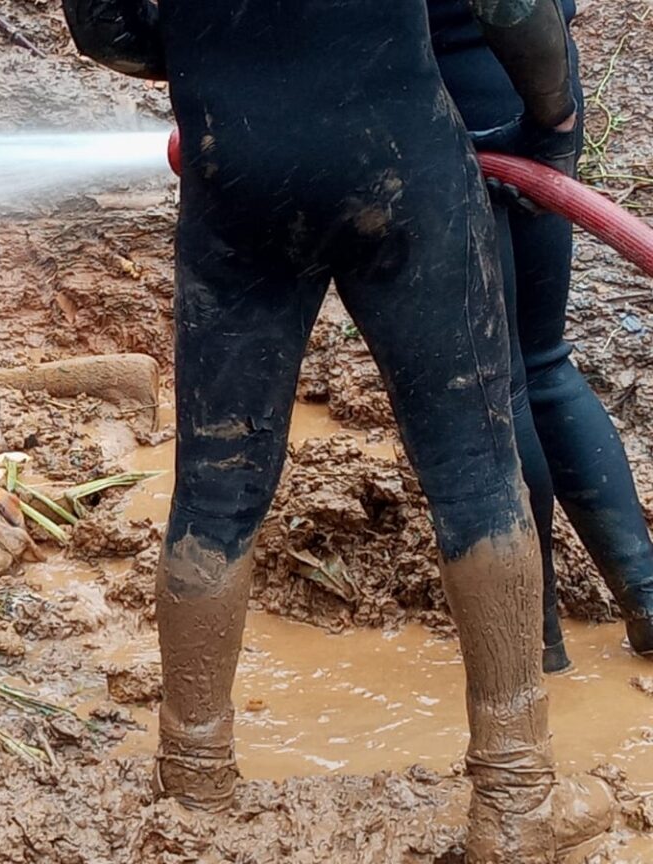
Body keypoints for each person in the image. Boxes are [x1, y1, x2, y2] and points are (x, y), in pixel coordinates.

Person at [59, 0, 613, 860]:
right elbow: (513, 7)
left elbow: (101, 27)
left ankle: (195, 782)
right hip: (399, 162)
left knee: (214, 483)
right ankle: (514, 797)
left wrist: (242, 61)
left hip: (234, 171)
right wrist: (555, 119)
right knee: (472, 465)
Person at [428, 0, 653, 674]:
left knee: (494, 384)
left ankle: (533, 640)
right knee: (543, 360)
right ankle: (645, 597)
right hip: (532, 78)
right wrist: (553, 122)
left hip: (428, 105)